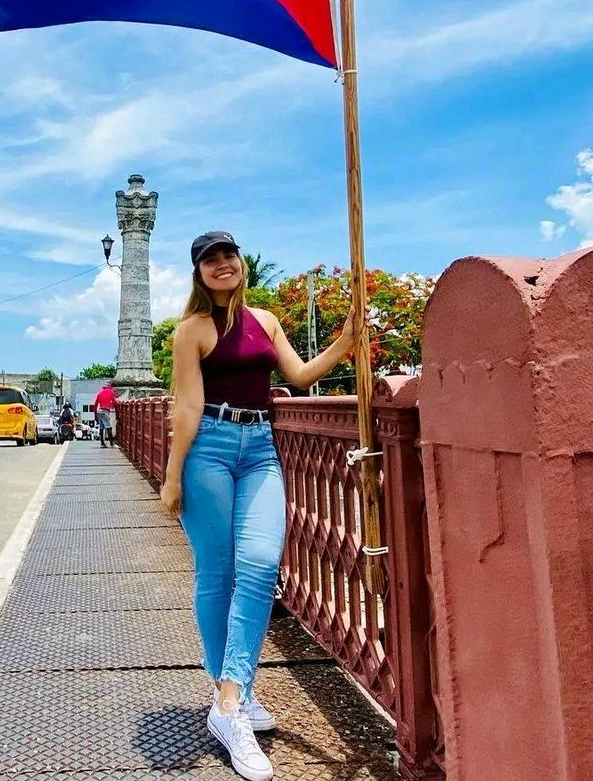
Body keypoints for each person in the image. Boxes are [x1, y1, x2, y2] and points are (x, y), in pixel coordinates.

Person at [160, 231, 354, 781]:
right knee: (216, 574)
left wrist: (343, 343)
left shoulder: (265, 320)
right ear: (198, 273)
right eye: (209, 260)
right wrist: (173, 477)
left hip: (261, 449)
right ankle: (232, 700)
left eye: (229, 255)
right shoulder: (191, 331)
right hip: (209, 452)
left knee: (261, 564)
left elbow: (296, 376)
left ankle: (230, 697)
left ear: (241, 263)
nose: (222, 265)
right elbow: (188, 403)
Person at [93, 381, 117, 447]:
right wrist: (117, 413)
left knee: (101, 427)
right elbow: (114, 403)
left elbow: (95, 405)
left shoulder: (99, 393)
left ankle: (102, 443)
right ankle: (112, 444)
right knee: (109, 427)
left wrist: (95, 416)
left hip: (99, 411)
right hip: (105, 411)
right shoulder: (111, 392)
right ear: (110, 387)